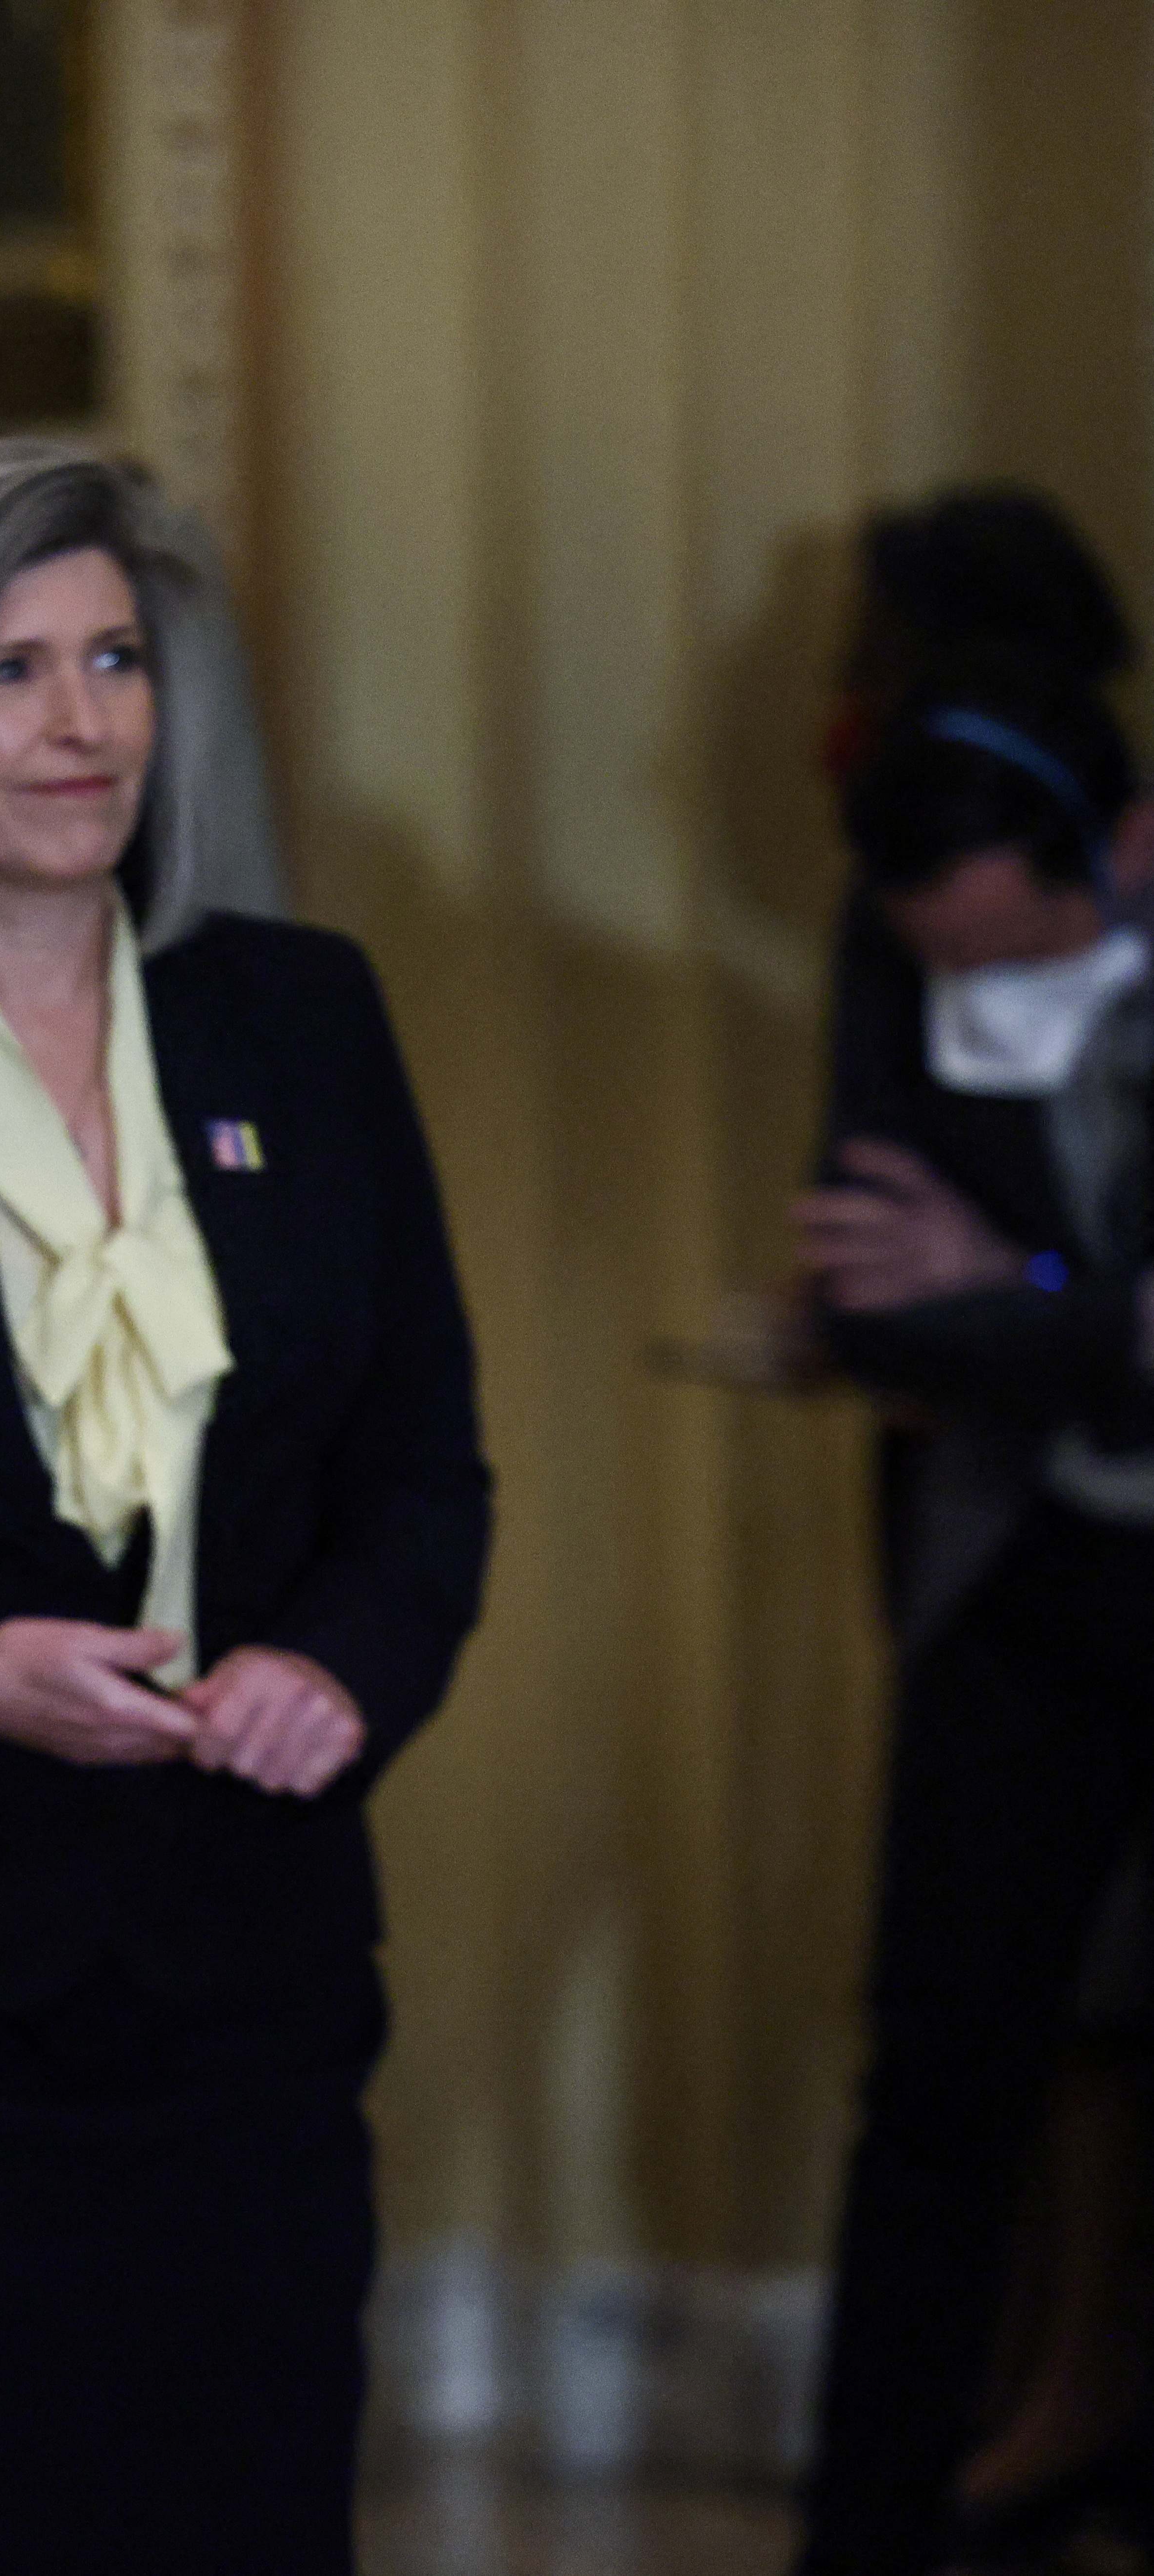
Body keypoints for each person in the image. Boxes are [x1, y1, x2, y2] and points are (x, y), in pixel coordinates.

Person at [0, 438, 491, 2575]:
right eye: (6, 674)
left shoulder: (298, 1014)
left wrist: (338, 1670)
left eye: (115, 661)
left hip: (243, 1993)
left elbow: (421, 1468)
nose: (80, 727)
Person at [789, 660, 1154, 2576]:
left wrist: (1012, 1282)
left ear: (1119, 850)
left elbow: (1008, 1306)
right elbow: (865, 1294)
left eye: (1022, 954)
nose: (978, 997)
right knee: (932, 2077)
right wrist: (1057, 1307)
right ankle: (857, 2534)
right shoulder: (895, 930)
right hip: (1016, 1574)